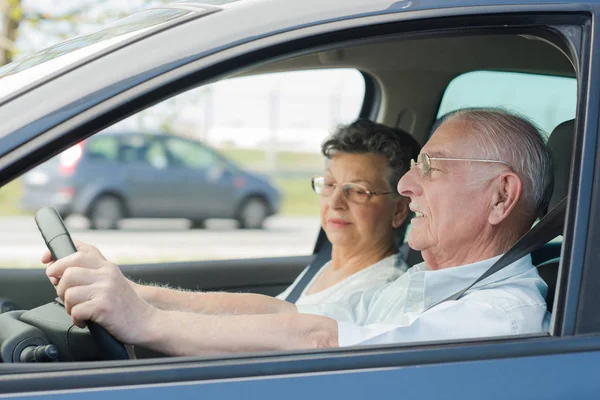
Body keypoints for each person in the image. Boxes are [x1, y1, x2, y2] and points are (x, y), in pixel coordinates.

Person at [44, 108, 552, 356]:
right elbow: (288, 313)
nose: (405, 184)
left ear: (501, 196)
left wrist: (146, 322)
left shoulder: (496, 318)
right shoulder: (430, 284)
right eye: (414, 165)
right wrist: (134, 293)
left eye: (432, 167)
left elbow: (316, 337)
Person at [276, 120, 420, 305]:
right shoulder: (327, 267)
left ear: (399, 211)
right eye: (329, 184)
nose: (334, 203)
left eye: (358, 191)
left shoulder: (380, 294)